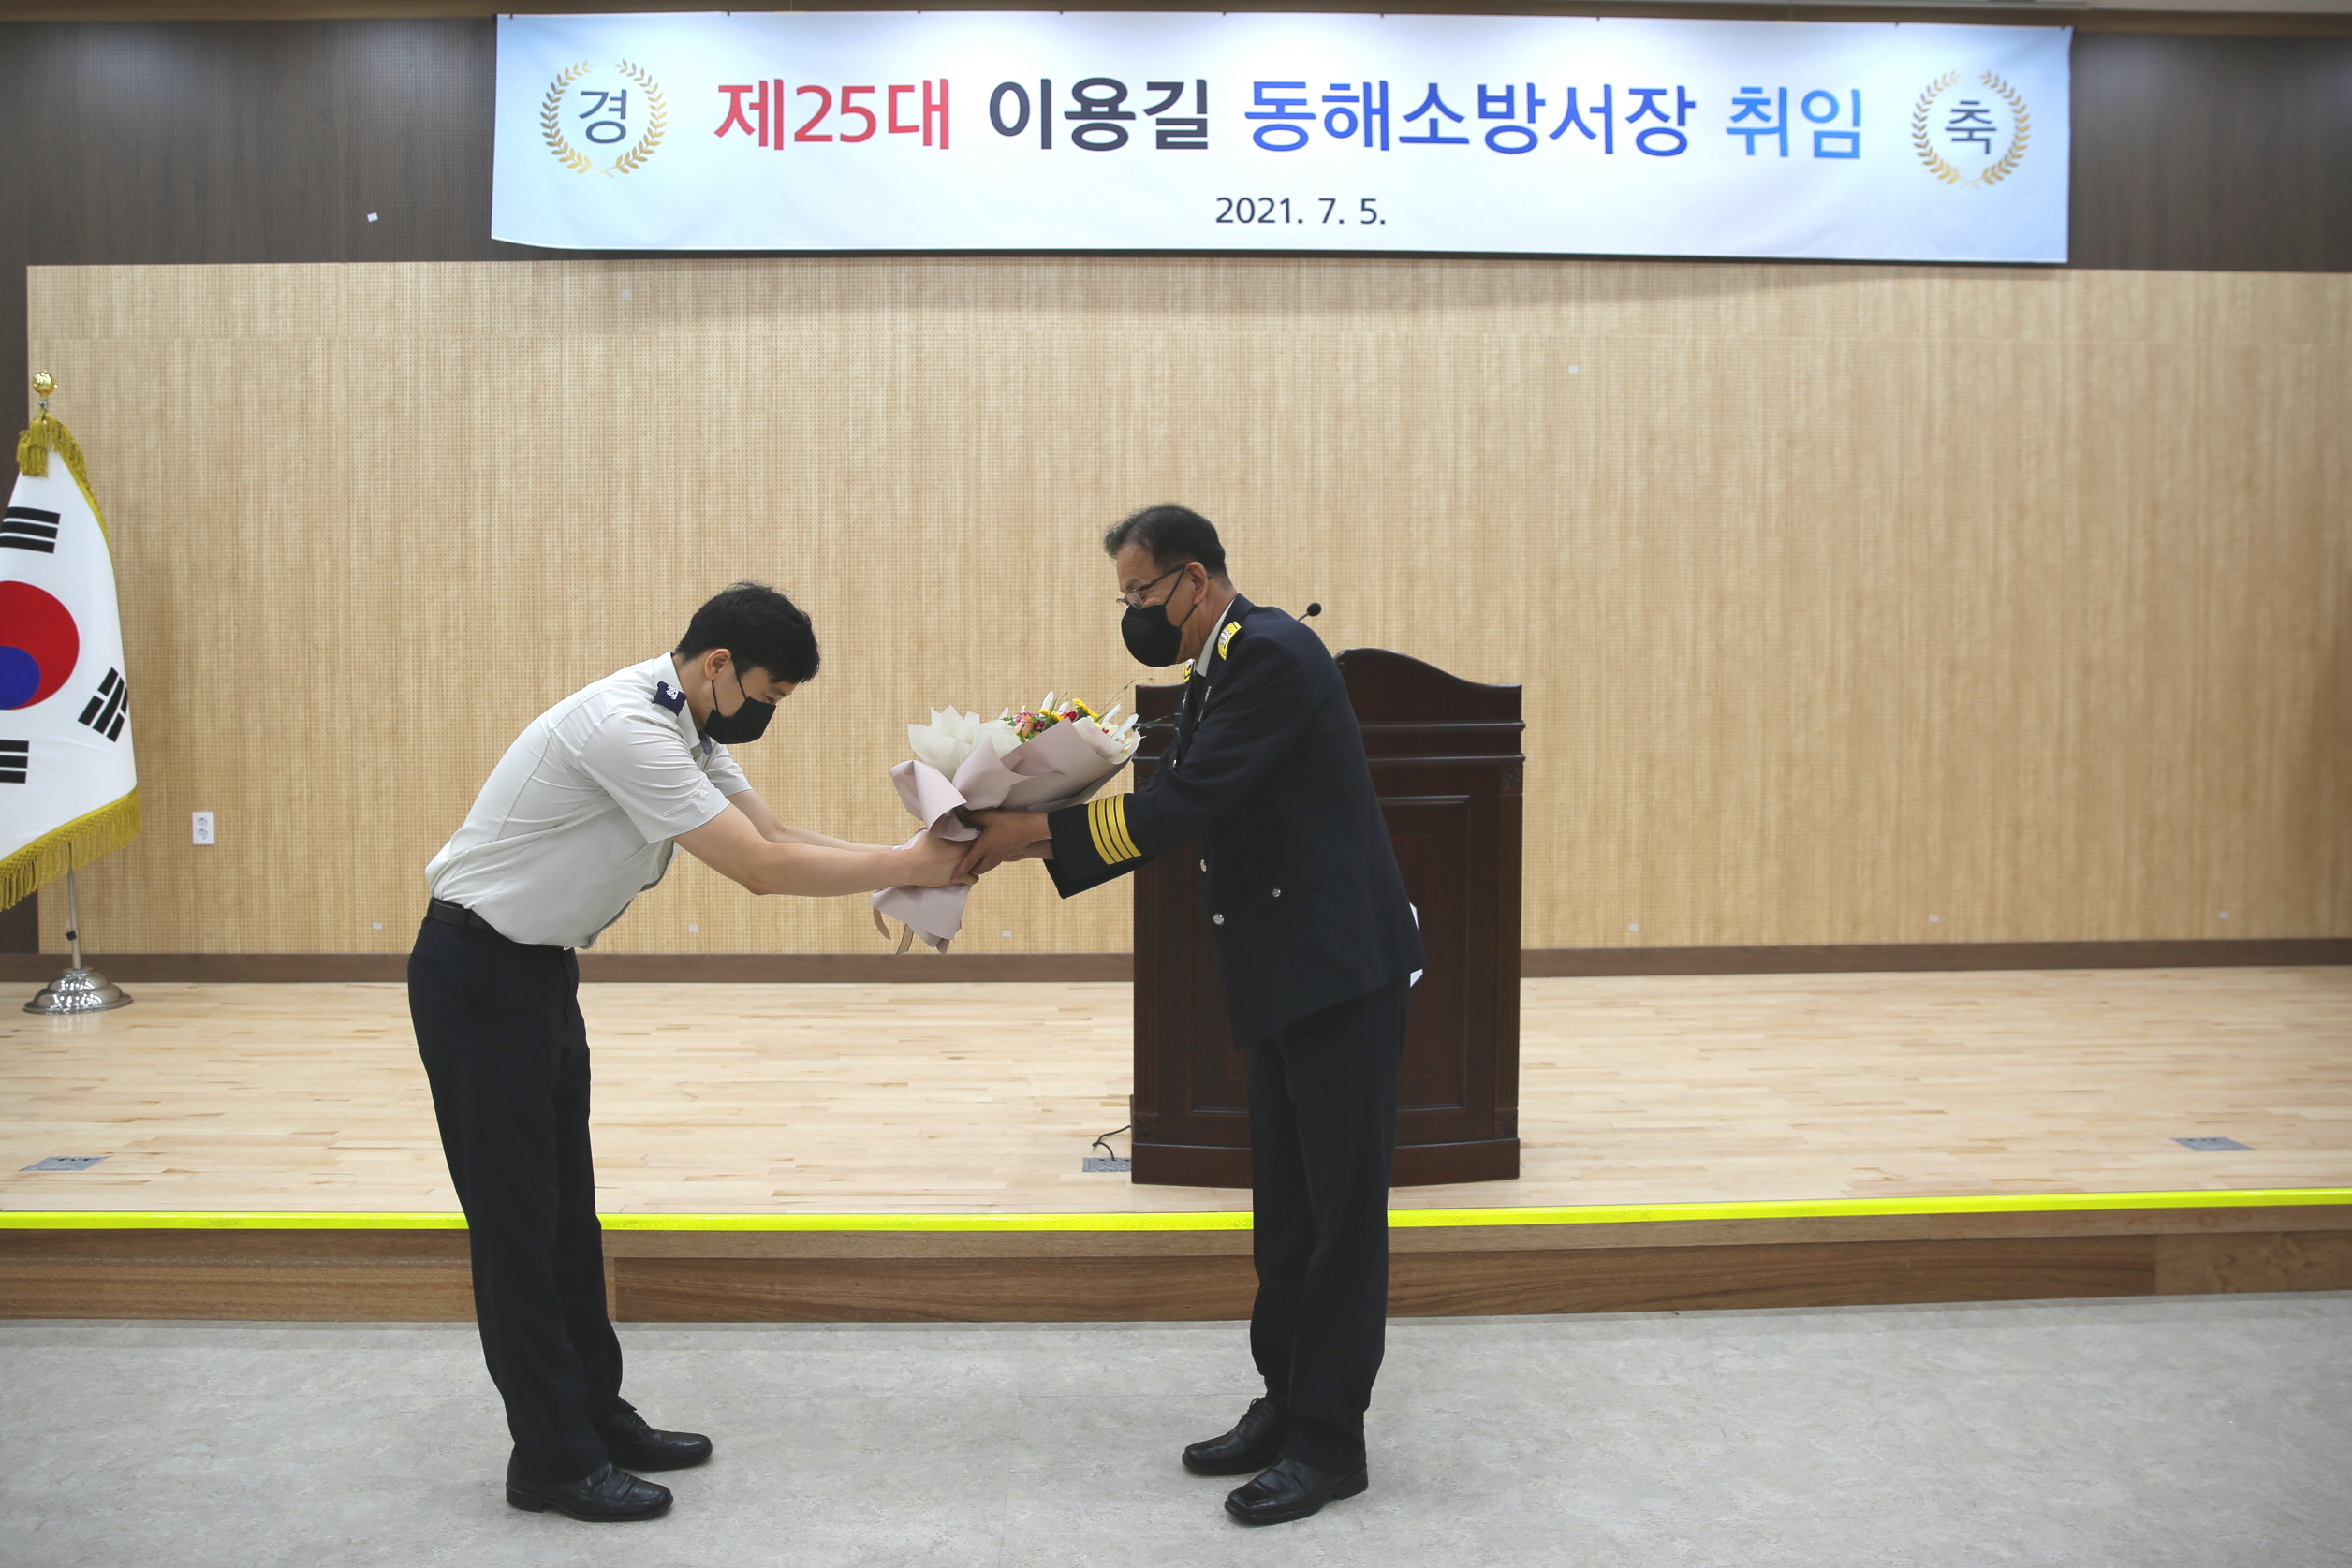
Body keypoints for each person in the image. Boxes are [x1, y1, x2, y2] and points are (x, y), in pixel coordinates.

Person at [409, 581, 967, 1523]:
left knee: (566, 1218)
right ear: (718, 664)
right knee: (516, 1230)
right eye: (768, 693)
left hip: (536, 974)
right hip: (477, 974)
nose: (766, 712)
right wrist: (910, 866)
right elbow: (757, 869)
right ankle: (549, 1457)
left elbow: (774, 832)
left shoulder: (689, 724)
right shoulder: (627, 726)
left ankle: (593, 1413)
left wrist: (906, 858)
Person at [960, 506, 1423, 1526]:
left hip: (1340, 970)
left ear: (1195, 579)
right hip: (1288, 968)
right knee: (1286, 1212)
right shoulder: (1221, 663)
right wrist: (1023, 828)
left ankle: (1329, 1442)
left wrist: (1025, 835)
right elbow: (1174, 794)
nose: (1131, 610)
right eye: (1123, 595)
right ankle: (1285, 1399)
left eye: (1141, 592)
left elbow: (1184, 804)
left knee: (1339, 1220)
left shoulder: (1273, 654)